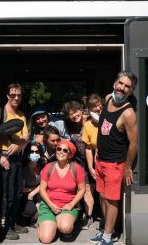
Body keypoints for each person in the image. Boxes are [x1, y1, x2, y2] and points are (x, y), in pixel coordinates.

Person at [91, 71, 138, 245]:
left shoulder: (128, 113)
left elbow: (134, 144)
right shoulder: (108, 99)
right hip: (100, 160)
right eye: (120, 83)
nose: (122, 88)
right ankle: (105, 230)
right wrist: (98, 146)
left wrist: (127, 167)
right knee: (102, 197)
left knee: (111, 201)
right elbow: (105, 126)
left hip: (114, 164)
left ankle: (108, 237)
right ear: (114, 84)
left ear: (131, 91)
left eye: (127, 86)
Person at [0, 83, 29, 240]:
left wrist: (19, 144)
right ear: (7, 96)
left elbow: (26, 137)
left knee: (17, 193)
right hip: (4, 157)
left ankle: (12, 222)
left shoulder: (21, 114)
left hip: (17, 157)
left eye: (19, 95)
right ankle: (4, 227)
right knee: (7, 194)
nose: (16, 98)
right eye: (13, 95)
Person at [38, 140, 86, 244]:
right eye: (59, 149)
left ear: (70, 154)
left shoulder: (76, 168)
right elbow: (42, 189)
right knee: (45, 239)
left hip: (67, 205)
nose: (61, 152)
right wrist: (51, 205)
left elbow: (82, 189)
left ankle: (63, 224)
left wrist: (71, 204)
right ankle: (48, 223)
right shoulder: (48, 167)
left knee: (65, 227)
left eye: (65, 150)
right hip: (49, 205)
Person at [62, 100, 94, 229]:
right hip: (81, 161)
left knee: (97, 190)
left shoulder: (91, 119)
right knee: (86, 189)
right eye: (71, 114)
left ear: (81, 109)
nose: (74, 116)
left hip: (95, 159)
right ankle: (89, 216)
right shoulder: (69, 125)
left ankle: (99, 216)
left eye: (75, 112)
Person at [81, 93, 104, 228]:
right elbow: (89, 148)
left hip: (108, 160)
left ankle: (105, 218)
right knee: (89, 189)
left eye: (98, 105)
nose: (97, 108)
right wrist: (90, 167)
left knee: (103, 192)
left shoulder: (109, 120)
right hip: (95, 162)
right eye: (93, 107)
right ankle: (89, 217)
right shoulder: (88, 126)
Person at [21, 142, 43, 226]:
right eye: (31, 152)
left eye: (36, 152)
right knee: (30, 210)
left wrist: (33, 193)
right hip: (26, 194)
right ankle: (28, 216)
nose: (34, 154)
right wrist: (32, 191)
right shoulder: (23, 168)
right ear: (27, 153)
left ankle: (34, 219)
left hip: (38, 193)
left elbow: (45, 183)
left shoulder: (43, 166)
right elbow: (22, 189)